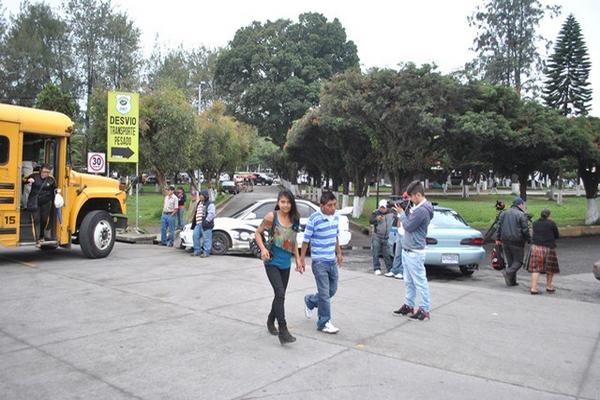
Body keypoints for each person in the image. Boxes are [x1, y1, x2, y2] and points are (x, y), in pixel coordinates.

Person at [255, 190, 302, 345]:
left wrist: (298, 259)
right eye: (282, 202)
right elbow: (257, 233)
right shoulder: (271, 217)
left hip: (285, 263)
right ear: (278, 202)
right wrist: (263, 249)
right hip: (272, 261)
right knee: (280, 293)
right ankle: (283, 330)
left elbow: (294, 241)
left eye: (288, 202)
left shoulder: (295, 218)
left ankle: (270, 320)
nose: (285, 205)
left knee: (279, 295)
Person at [300, 191, 344, 334]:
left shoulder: (336, 217)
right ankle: (324, 322)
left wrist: (339, 253)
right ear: (322, 206)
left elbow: (336, 236)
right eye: (330, 205)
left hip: (331, 261)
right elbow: (306, 240)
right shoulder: (314, 219)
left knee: (332, 290)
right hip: (319, 262)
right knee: (325, 294)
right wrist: (301, 259)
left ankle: (311, 301)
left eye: (334, 205)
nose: (333, 208)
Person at [393, 181, 434, 321]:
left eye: (411, 197)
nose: (410, 200)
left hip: (414, 252)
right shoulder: (419, 208)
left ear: (418, 194)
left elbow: (409, 226)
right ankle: (409, 305)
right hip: (409, 249)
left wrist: (402, 214)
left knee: (420, 281)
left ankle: (424, 308)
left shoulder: (422, 210)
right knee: (409, 281)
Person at [495, 197, 531, 287]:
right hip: (517, 241)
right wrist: (529, 239)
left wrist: (498, 239)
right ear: (520, 204)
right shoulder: (521, 215)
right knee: (518, 262)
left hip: (505, 241)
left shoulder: (504, 213)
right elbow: (525, 230)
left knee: (511, 262)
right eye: (523, 204)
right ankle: (507, 272)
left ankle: (511, 282)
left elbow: (499, 227)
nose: (523, 206)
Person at [527, 208, 560, 294]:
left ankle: (533, 288)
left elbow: (532, 234)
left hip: (536, 247)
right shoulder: (551, 223)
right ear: (549, 215)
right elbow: (556, 235)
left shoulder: (535, 223)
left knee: (535, 269)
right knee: (550, 268)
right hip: (549, 248)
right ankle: (549, 286)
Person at [23, 163, 56, 245]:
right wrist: (28, 181)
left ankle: (42, 235)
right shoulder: (34, 176)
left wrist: (57, 191)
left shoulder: (51, 179)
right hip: (35, 201)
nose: (46, 174)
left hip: (46, 202)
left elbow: (55, 188)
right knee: (36, 219)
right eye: (44, 171)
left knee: (44, 219)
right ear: (40, 170)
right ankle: (37, 239)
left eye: (48, 172)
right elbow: (22, 180)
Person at [369, 200, 394, 275]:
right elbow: (370, 220)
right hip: (377, 235)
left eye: (383, 207)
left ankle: (390, 269)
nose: (382, 209)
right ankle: (377, 268)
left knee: (387, 254)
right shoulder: (375, 212)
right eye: (381, 207)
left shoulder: (391, 212)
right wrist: (376, 219)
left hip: (386, 236)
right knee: (375, 252)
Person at [200, 190, 216, 257]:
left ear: (205, 196)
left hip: (207, 224)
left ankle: (206, 252)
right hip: (203, 224)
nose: (200, 197)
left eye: (201, 195)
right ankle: (204, 251)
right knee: (204, 238)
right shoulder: (203, 204)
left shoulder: (210, 204)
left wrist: (206, 221)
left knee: (207, 239)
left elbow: (212, 214)